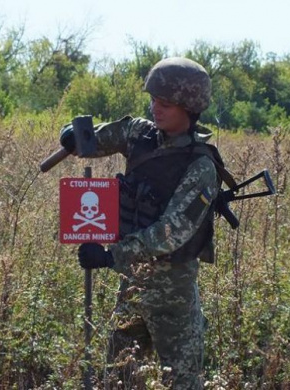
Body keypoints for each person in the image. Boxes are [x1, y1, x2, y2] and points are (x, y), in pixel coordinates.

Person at [60, 57, 227, 389]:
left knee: (182, 381)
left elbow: (172, 232)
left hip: (173, 296)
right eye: (153, 100)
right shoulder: (140, 133)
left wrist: (112, 255)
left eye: (165, 104)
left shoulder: (201, 166)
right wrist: (75, 137)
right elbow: (97, 140)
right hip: (132, 287)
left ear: (189, 109)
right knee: (117, 377)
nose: (156, 108)